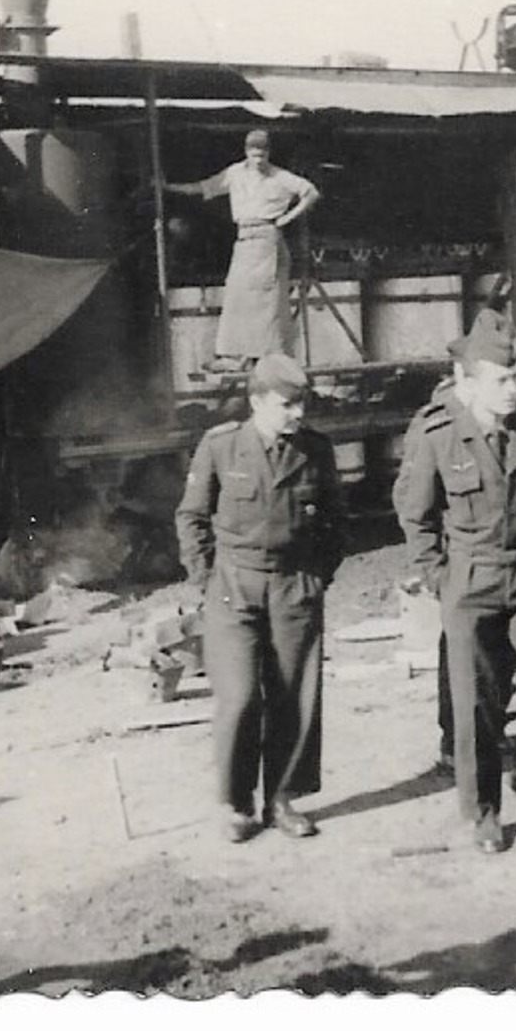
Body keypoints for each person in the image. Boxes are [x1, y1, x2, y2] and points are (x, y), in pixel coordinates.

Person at [395, 319, 516, 854]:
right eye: (500, 380)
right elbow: (415, 515)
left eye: (515, 377)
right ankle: (485, 811)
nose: (512, 389)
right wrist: (439, 578)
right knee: (477, 705)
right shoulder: (436, 435)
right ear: (468, 384)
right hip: (470, 582)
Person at [174, 354, 345, 842]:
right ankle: (236, 802)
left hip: (295, 585)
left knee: (294, 696)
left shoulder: (315, 450)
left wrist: (318, 578)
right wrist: (205, 580)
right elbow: (191, 517)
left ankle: (282, 798)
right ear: (256, 402)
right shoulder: (221, 447)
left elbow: (336, 521)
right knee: (240, 697)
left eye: (302, 404)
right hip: (234, 586)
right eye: (287, 404)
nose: (298, 414)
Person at [165, 129, 321, 372]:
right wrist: (168, 187)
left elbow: (311, 192)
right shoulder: (234, 173)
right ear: (246, 152)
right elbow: (203, 187)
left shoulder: (280, 176)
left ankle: (266, 358)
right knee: (237, 296)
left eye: (262, 155)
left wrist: (287, 218)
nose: (258, 160)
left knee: (265, 302)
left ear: (268, 153)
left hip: (267, 240)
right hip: (244, 239)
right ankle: (234, 354)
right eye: (254, 154)